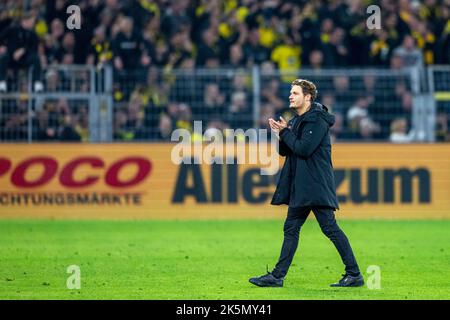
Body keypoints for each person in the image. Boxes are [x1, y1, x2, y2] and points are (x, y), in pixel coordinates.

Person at [249, 79, 364, 288]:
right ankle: (277, 276)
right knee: (291, 228)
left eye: (295, 93)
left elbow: (303, 149)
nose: (290, 96)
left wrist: (286, 133)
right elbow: (286, 151)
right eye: (291, 93)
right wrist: (280, 135)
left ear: (308, 97)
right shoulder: (295, 121)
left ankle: (354, 274)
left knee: (329, 228)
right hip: (301, 185)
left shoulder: (317, 120)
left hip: (315, 184)